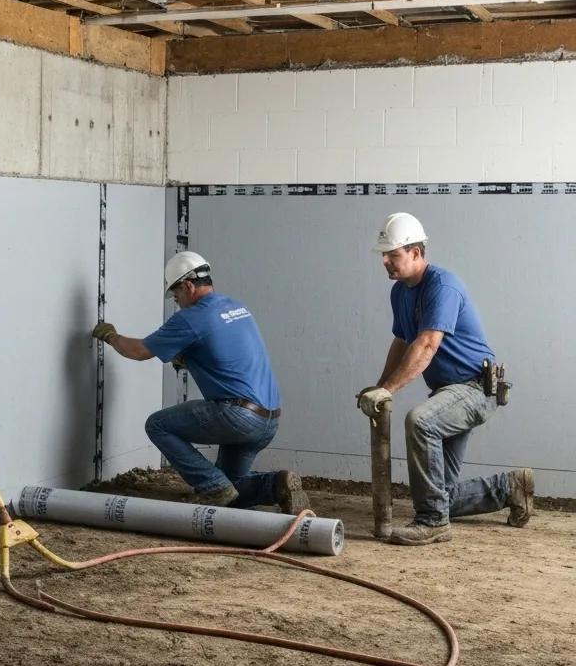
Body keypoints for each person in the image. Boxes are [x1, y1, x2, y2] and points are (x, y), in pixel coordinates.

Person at [357, 212, 534, 547]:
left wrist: (389, 389)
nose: (385, 261)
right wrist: (381, 386)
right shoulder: (400, 292)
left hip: (475, 388)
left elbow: (426, 344)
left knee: (421, 421)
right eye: (383, 254)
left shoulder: (442, 285)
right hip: (448, 391)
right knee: (442, 493)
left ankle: (433, 522)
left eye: (392, 254)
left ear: (415, 253)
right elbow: (402, 341)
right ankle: (511, 487)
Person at [92, 251, 308, 512]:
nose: (177, 301)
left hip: (238, 416)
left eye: (176, 294)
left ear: (188, 286)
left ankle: (213, 487)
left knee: (158, 425)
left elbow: (138, 351)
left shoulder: (191, 318)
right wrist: (189, 357)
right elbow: (224, 351)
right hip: (269, 418)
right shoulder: (235, 307)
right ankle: (278, 485)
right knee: (234, 488)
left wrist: (111, 336)